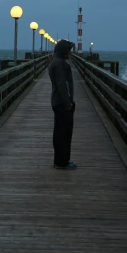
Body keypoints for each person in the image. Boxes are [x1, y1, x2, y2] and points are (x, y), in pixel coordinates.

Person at [48, 39, 76, 170]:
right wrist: (68, 104)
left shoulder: (57, 62)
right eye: (69, 50)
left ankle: (60, 160)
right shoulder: (59, 64)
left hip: (58, 101)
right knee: (63, 133)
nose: (71, 53)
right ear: (63, 52)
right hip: (61, 103)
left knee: (60, 132)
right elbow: (61, 85)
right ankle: (61, 162)